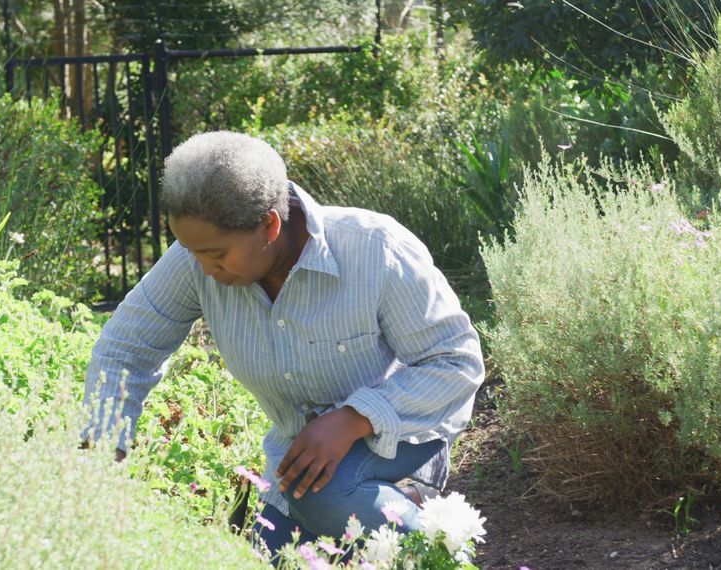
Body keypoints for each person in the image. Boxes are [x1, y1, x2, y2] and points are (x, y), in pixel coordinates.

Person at [80, 131, 484, 558]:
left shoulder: (374, 250)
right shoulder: (197, 260)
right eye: (191, 251)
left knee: (324, 499)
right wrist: (104, 456)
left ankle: (441, 545)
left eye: (216, 254)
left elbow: (455, 362)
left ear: (269, 225)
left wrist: (352, 419)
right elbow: (125, 349)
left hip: (403, 437)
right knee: (272, 555)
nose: (202, 268)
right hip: (298, 464)